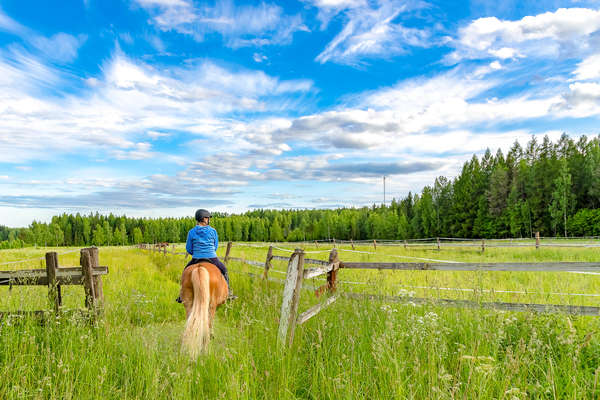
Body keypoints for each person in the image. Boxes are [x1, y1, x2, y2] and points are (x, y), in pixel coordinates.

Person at [176, 209, 236, 303]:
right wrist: (209, 251)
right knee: (224, 270)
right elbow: (215, 246)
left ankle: (181, 294)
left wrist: (196, 252)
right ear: (203, 218)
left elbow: (188, 249)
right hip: (212, 257)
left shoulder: (191, 232)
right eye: (208, 218)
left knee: (185, 271)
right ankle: (228, 292)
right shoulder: (213, 231)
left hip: (196, 258)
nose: (208, 220)